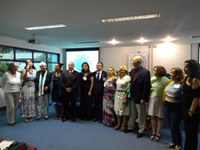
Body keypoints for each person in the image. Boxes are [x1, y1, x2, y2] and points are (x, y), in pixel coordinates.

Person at [128, 56, 151, 137]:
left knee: (141, 115)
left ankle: (141, 130)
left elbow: (147, 86)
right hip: (132, 96)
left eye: (133, 61)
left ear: (138, 62)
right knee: (132, 113)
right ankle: (130, 127)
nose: (132, 62)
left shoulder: (146, 72)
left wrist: (144, 98)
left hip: (140, 97)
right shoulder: (132, 70)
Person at [182, 60, 200, 150]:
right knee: (188, 132)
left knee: (192, 133)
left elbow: (196, 98)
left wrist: (191, 111)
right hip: (186, 107)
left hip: (192, 110)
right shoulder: (187, 78)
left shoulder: (195, 79)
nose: (184, 69)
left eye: (186, 67)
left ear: (192, 69)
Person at [164, 67, 184, 150]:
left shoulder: (180, 83)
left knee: (174, 125)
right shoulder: (171, 82)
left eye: (172, 73)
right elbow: (169, 92)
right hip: (168, 105)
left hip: (176, 107)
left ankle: (178, 143)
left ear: (177, 75)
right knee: (170, 125)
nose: (170, 74)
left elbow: (178, 94)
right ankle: (173, 141)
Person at [148, 66, 169, 142]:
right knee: (153, 115)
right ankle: (153, 133)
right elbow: (148, 88)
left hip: (161, 99)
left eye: (155, 70)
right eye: (153, 69)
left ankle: (158, 134)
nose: (154, 71)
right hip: (152, 98)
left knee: (160, 117)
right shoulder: (152, 79)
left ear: (160, 71)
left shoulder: (166, 80)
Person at [114, 66, 131, 132]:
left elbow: (128, 88)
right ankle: (118, 124)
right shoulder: (118, 77)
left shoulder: (127, 78)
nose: (122, 71)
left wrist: (125, 96)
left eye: (123, 70)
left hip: (123, 95)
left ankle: (123, 124)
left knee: (124, 110)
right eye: (121, 70)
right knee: (117, 109)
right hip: (117, 94)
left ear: (126, 71)